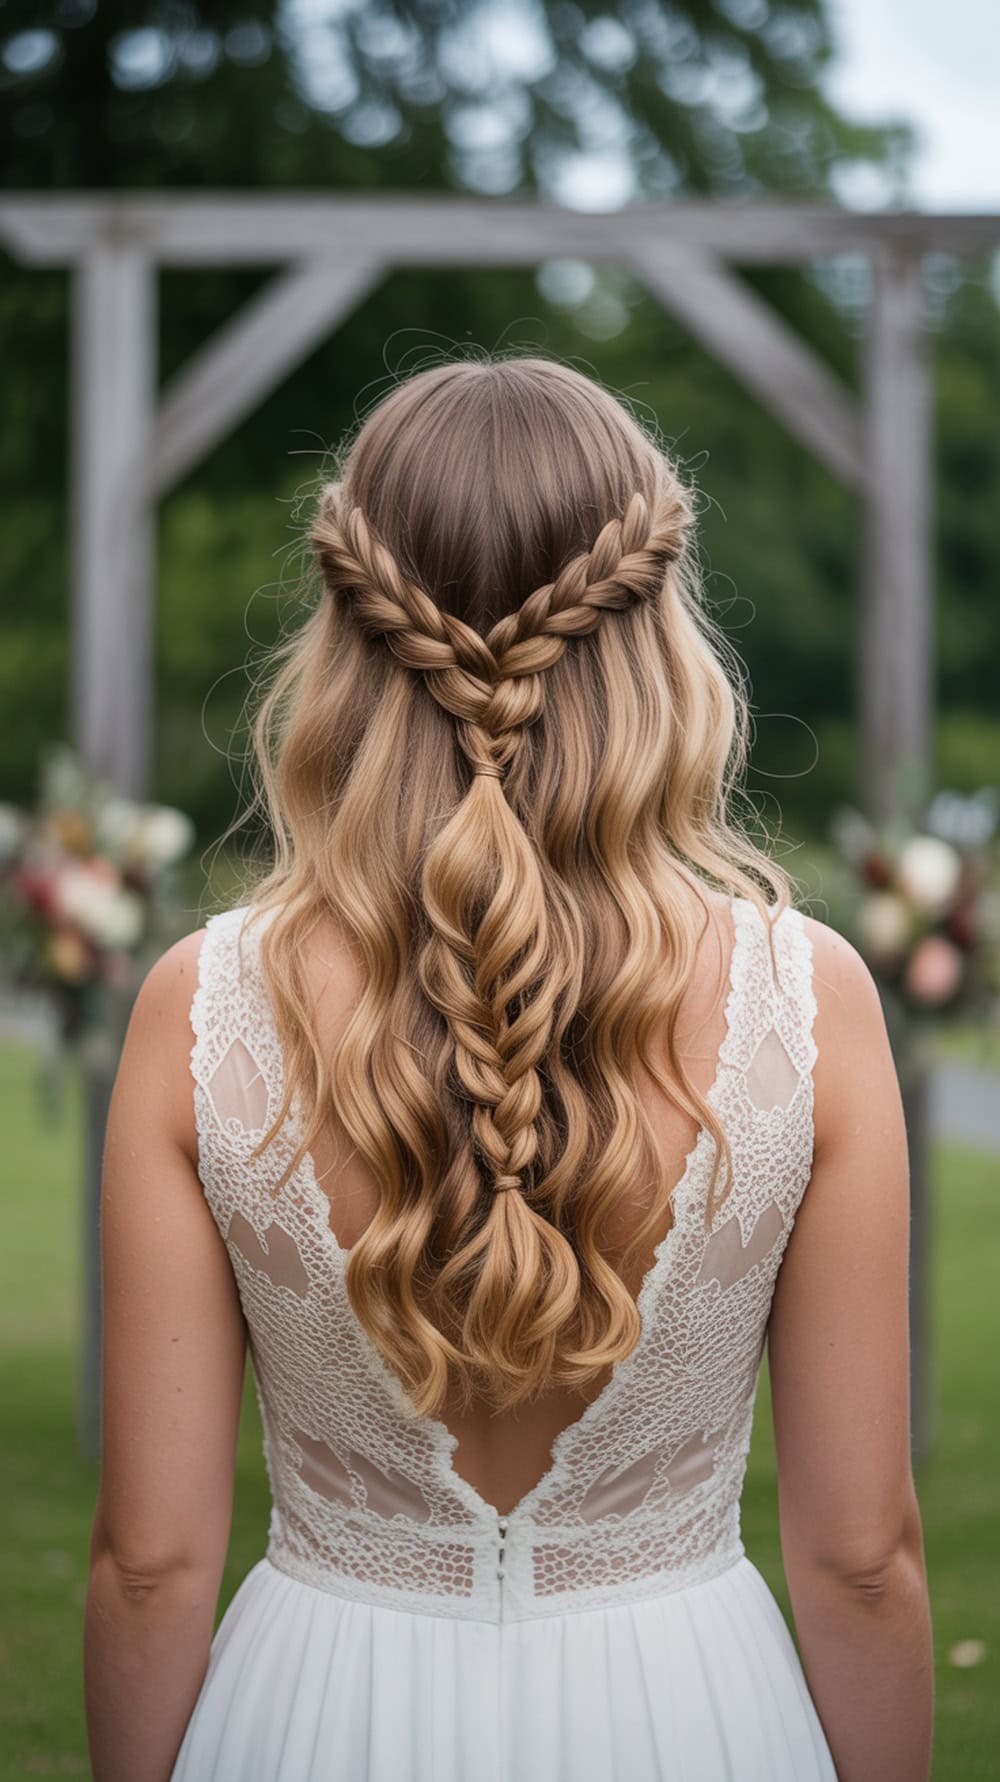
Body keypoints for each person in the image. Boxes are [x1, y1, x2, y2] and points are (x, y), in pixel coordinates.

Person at [83, 356, 933, 1781]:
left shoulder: (205, 1004)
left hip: (316, 1712)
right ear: (655, 626)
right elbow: (861, 1558)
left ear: (348, 633)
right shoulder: (807, 1000)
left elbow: (151, 1564)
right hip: (687, 1711)